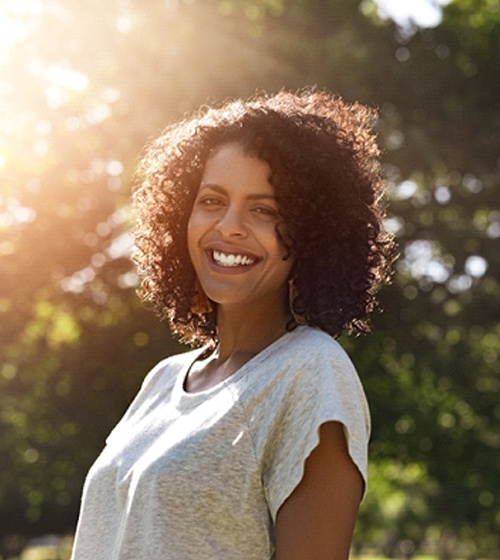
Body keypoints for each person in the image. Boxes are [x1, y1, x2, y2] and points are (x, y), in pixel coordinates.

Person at [71, 88, 395, 560]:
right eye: (211, 200)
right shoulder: (162, 380)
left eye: (263, 209)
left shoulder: (312, 373)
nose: (229, 226)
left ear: (311, 232)